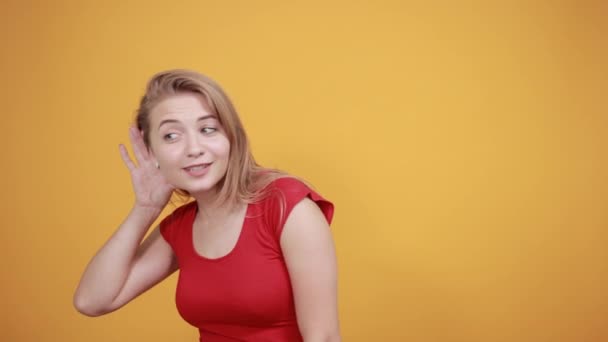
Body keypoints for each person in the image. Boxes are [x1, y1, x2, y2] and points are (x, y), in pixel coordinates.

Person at [73, 69, 341, 341]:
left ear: (231, 137)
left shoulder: (286, 205)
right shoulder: (180, 227)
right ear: (152, 152)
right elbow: (91, 301)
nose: (193, 148)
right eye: (171, 136)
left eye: (208, 129)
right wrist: (145, 209)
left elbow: (325, 337)